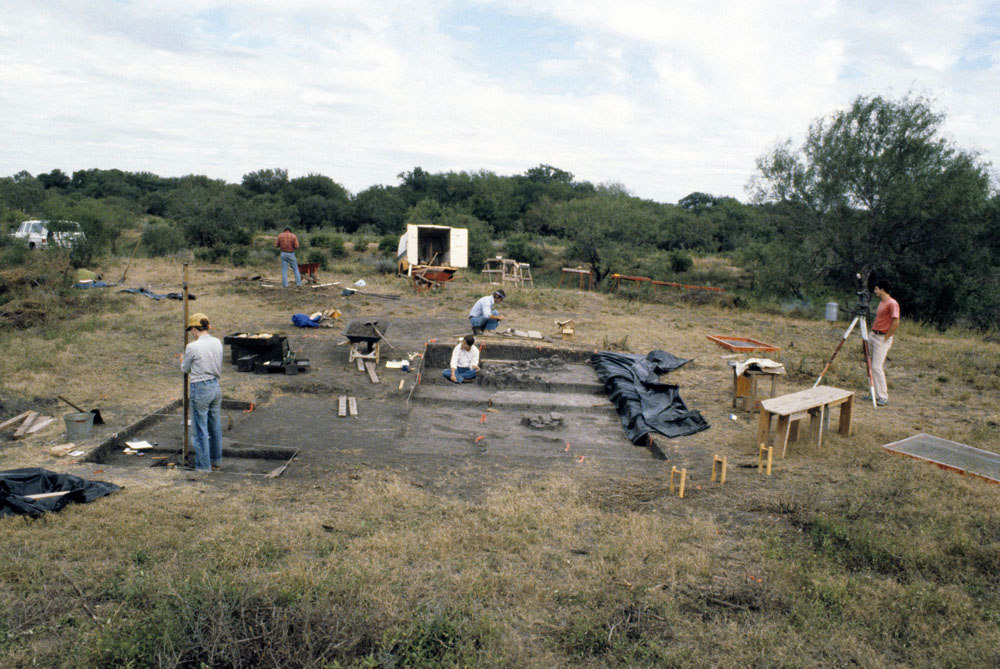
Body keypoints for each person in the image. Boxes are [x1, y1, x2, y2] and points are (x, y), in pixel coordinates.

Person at [181, 312, 224, 472]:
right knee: (215, 427)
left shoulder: (192, 347)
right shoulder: (217, 342)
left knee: (200, 430)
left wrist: (182, 360)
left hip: (200, 388)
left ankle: (203, 467)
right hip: (215, 386)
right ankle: (216, 461)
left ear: (194, 329)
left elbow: (185, 368)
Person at [865, 279, 900, 406]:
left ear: (882, 289)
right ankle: (872, 392)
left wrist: (886, 338)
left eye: (876, 289)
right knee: (869, 364)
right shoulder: (881, 303)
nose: (875, 291)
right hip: (874, 334)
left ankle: (883, 396)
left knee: (876, 367)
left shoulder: (892, 303)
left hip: (882, 337)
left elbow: (896, 322)